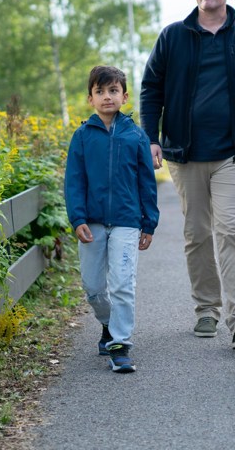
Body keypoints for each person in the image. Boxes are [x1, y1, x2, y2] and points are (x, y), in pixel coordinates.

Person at [140, 0, 235, 350]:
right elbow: (151, 89)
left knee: (233, 230)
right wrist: (152, 137)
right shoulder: (172, 37)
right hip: (185, 155)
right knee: (197, 233)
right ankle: (206, 308)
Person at [64, 66, 159, 373]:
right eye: (100, 91)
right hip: (90, 221)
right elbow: (74, 181)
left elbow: (146, 181)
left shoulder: (136, 136)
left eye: (113, 91)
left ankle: (120, 344)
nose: (107, 97)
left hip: (126, 221)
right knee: (93, 287)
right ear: (90, 98)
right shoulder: (81, 137)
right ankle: (107, 324)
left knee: (122, 283)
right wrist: (77, 217)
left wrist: (149, 222)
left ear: (124, 96)